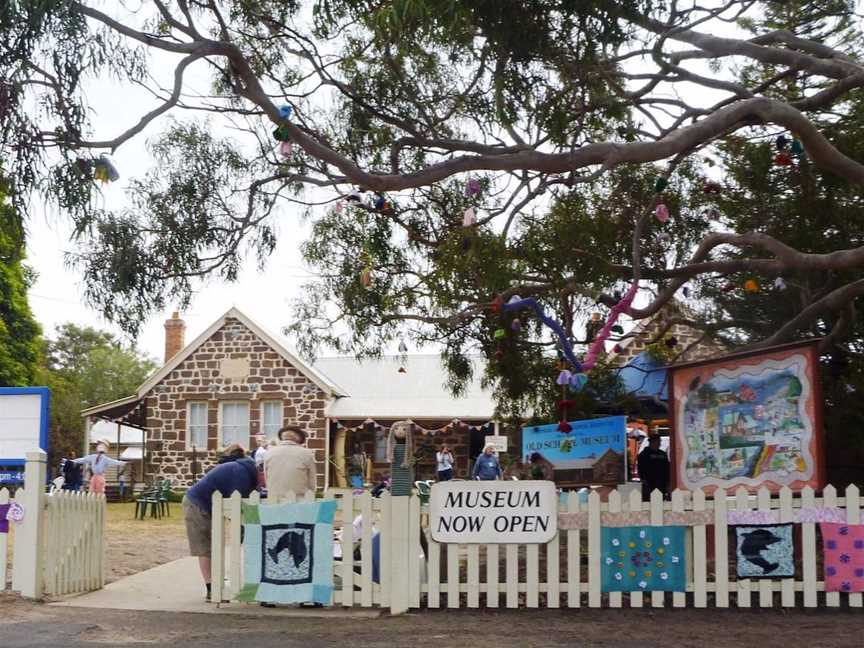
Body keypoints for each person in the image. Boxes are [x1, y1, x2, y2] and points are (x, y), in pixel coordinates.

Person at [183, 444, 257, 601]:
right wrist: (240, 526)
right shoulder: (241, 472)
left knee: (215, 544)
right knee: (205, 547)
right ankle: (211, 588)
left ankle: (215, 581)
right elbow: (235, 502)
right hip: (197, 503)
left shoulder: (243, 469)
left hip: (211, 505)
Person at [264, 425, 317, 501]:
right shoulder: (307, 454)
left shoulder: (269, 453)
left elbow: (267, 478)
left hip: (275, 498)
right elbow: (312, 481)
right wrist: (311, 495)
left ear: (281, 438)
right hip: (299, 499)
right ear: (299, 439)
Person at [637, 434, 670, 501]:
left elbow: (667, 468)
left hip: (662, 483)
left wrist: (668, 481)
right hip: (649, 483)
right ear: (651, 442)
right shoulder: (644, 454)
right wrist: (643, 479)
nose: (659, 443)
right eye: (657, 441)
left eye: (659, 441)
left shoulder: (662, 454)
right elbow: (640, 468)